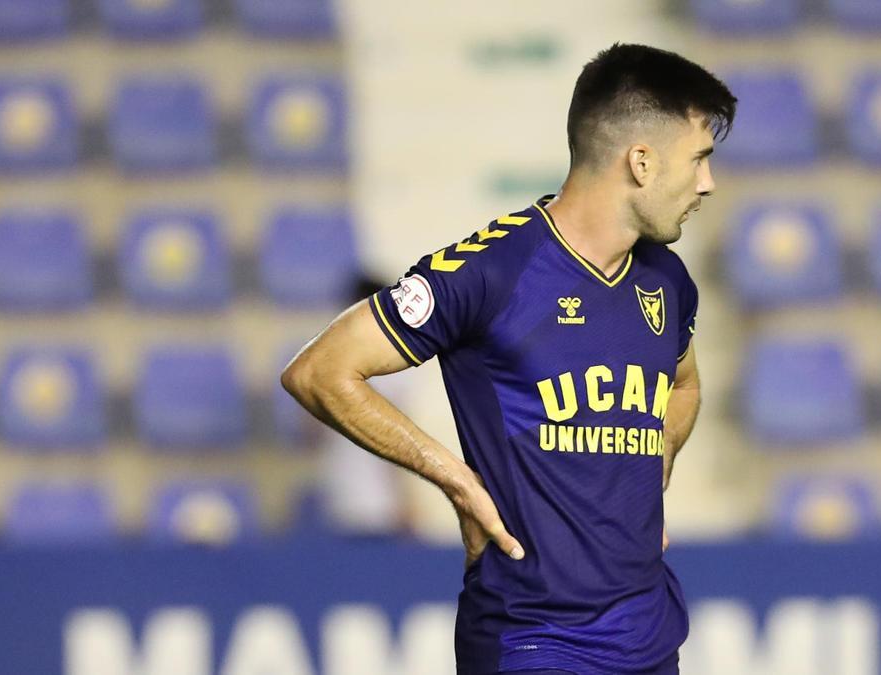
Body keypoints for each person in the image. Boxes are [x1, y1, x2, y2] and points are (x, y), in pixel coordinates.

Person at [282, 43, 735, 674]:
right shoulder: (494, 269)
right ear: (641, 161)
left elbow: (683, 387)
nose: (708, 183)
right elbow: (320, 370)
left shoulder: (666, 281)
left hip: (650, 637)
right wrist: (457, 481)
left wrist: (652, 466)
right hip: (531, 640)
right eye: (700, 159)